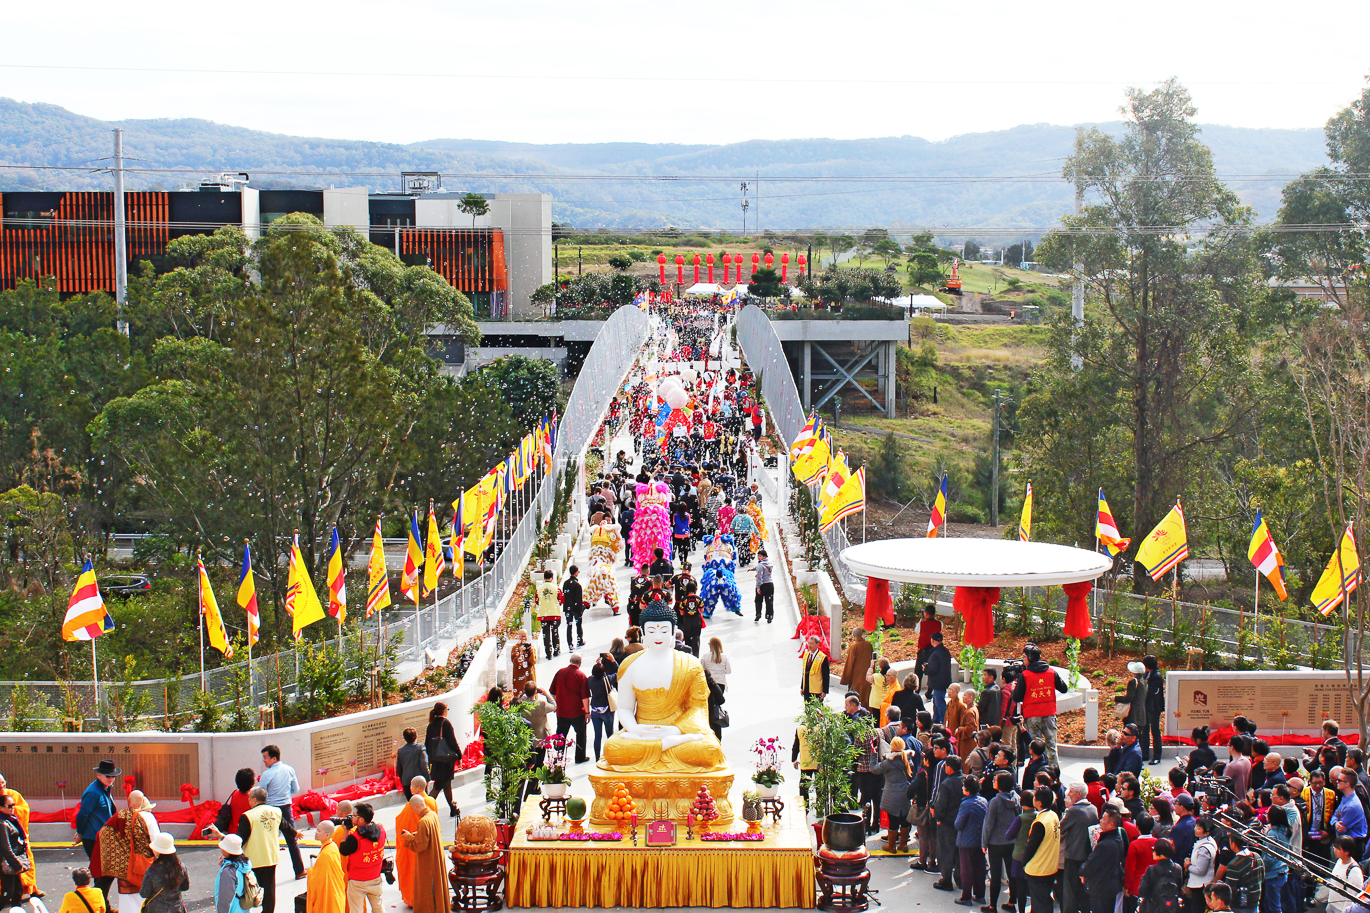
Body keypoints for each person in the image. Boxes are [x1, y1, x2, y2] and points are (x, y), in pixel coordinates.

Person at [100, 789, 160, 913]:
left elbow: (105, 835)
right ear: (143, 801)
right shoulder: (148, 817)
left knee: (127, 901)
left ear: (128, 801)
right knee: (144, 898)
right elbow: (155, 841)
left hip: (125, 867)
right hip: (144, 864)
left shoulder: (120, 817)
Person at [1011, 643, 1069, 765]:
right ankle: (1054, 773)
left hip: (1032, 715)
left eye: (1024, 657)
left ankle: (1039, 773)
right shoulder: (1051, 672)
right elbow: (1064, 689)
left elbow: (1017, 698)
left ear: (1030, 658)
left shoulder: (1025, 675)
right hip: (1049, 714)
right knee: (1051, 746)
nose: (1023, 660)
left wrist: (1014, 689)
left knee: (1035, 747)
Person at [259, 745, 305, 880]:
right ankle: (299, 870)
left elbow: (261, 791)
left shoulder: (267, 774)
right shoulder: (289, 769)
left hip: (271, 809)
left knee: (267, 840)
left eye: (265, 758)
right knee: (292, 840)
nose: (264, 761)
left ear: (274, 758)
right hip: (286, 808)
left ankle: (266, 875)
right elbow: (296, 789)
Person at [77, 759, 119, 904]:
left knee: (101, 873)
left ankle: (101, 905)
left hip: (103, 837)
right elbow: (83, 814)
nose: (111, 779)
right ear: (99, 775)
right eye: (108, 776)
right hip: (94, 838)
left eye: (113, 776)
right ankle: (97, 904)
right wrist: (80, 833)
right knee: (106, 873)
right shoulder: (93, 793)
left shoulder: (104, 789)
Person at [399, 796, 449, 913]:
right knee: (437, 889)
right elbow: (430, 834)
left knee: (428, 892)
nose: (414, 813)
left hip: (428, 863)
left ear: (417, 806)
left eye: (413, 810)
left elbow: (420, 846)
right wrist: (416, 834)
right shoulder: (433, 815)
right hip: (436, 859)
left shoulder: (423, 821)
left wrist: (409, 838)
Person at [236, 788, 281, 913]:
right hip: (270, 856)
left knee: (248, 889)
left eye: (250, 798)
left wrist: (230, 853)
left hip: (253, 858)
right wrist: (296, 833)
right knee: (269, 890)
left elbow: (241, 838)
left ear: (254, 800)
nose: (249, 801)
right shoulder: (276, 811)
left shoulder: (248, 816)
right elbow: (286, 826)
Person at [394, 779, 437, 908]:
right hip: (429, 843)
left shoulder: (412, 806)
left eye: (411, 786)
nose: (410, 788)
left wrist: (407, 837)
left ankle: (413, 898)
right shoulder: (432, 801)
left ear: (418, 788)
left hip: (415, 845)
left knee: (414, 871)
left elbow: (406, 825)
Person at [983, 771, 1020, 913]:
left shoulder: (995, 802)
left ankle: (993, 906)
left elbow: (988, 825)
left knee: (996, 875)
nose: (993, 781)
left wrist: (984, 843)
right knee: (1012, 874)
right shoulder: (1016, 798)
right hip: (1011, 842)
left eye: (995, 780)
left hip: (995, 843)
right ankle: (1012, 902)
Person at [338, 803, 385, 913]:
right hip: (375, 877)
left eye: (354, 815)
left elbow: (343, 850)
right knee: (378, 907)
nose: (351, 817)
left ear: (361, 820)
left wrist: (346, 831)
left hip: (357, 881)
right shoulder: (381, 830)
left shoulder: (354, 838)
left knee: (356, 910)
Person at [1063, 782, 1101, 913]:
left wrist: (1067, 808)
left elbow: (1060, 829)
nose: (1068, 794)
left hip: (1073, 854)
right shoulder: (1093, 808)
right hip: (1087, 854)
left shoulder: (1073, 811)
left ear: (1079, 794)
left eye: (1071, 792)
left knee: (1071, 892)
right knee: (1084, 891)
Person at [0, 773, 39, 900]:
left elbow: (25, 809)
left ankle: (30, 889)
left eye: (3, 782)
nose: (2, 785)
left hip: (17, 838)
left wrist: (13, 809)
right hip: (5, 839)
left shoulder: (13, 794)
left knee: (24, 865)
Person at [1082, 807, 1128, 913]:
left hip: (1101, 886)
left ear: (1111, 824)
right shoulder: (1117, 838)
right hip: (1109, 884)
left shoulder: (1106, 844)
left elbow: (1092, 863)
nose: (1100, 821)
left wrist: (1082, 870)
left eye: (1103, 819)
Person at [1024, 786, 1062, 913]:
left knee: (1040, 903)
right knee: (1045, 900)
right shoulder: (1053, 816)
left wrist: (1024, 863)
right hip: (1051, 866)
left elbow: (1031, 846)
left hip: (1038, 868)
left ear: (1038, 802)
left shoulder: (1040, 822)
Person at [875, 736, 915, 854]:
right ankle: (903, 845)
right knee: (904, 820)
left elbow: (874, 769)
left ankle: (891, 846)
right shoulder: (907, 760)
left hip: (891, 795)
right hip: (904, 794)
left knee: (893, 821)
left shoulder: (888, 763)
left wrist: (873, 754)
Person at [550, 654, 592, 764]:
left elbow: (552, 692)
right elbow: (585, 697)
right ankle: (579, 757)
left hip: (562, 711)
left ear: (570, 661)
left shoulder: (560, 673)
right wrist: (587, 712)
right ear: (580, 663)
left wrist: (556, 705)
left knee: (560, 735)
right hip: (577, 712)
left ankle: (558, 757)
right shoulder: (581, 676)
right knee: (581, 734)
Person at [933, 756, 966, 892]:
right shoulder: (965, 780)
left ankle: (946, 880)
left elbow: (941, 805)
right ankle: (960, 879)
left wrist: (938, 819)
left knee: (946, 852)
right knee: (960, 853)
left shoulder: (947, 784)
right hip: (963, 822)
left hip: (948, 822)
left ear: (949, 768)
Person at [424, 702, 463, 817]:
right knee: (438, 786)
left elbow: (427, 744)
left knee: (446, 784)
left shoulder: (431, 725)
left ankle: (452, 808)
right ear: (444, 711)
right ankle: (424, 809)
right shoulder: (445, 723)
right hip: (445, 760)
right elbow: (452, 741)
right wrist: (459, 755)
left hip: (435, 759)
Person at [955, 778, 989, 906]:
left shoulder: (966, 804)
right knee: (980, 868)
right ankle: (980, 895)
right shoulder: (984, 801)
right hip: (980, 840)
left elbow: (959, 824)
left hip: (966, 841)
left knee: (967, 870)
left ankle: (966, 897)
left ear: (967, 789)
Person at [139, 833, 188, 913]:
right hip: (176, 909)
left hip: (155, 909)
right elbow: (185, 887)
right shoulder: (181, 867)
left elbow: (144, 893)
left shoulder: (151, 871)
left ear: (158, 851)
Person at [302, 824, 344, 913]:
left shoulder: (326, 854)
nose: (316, 833)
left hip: (328, 895)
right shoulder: (332, 846)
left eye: (319, 831)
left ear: (327, 835)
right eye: (316, 830)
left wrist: (310, 872)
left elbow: (319, 879)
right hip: (335, 893)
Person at [1317, 837, 1364, 913]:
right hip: (1331, 906)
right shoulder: (1339, 861)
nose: (1334, 850)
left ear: (1347, 852)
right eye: (1334, 847)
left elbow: (1352, 897)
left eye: (1338, 848)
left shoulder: (1354, 871)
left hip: (1341, 910)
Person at [0, 790, 28, 909]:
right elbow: (6, 848)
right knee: (7, 894)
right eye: (9, 806)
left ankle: (17, 909)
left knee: (18, 891)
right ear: (1, 808)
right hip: (7, 862)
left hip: (14, 860)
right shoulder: (3, 824)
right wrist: (17, 865)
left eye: (13, 805)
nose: (13, 808)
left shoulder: (11, 820)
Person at [1140, 839, 1185, 913]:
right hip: (1172, 908)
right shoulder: (1177, 868)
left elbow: (1143, 890)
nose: (1153, 852)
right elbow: (1179, 888)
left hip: (1154, 907)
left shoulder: (1151, 870)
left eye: (1154, 850)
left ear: (1161, 853)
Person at [1224, 832, 1264, 913]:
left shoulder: (1234, 865)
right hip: (1255, 902)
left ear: (1233, 844)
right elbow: (1262, 878)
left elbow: (1230, 891)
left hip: (1239, 906)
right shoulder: (1257, 857)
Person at [1186, 817, 1219, 913]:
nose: (1195, 829)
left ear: (1207, 832)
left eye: (1199, 828)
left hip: (1201, 886)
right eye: (1196, 826)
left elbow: (1200, 870)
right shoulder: (1207, 842)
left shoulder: (1204, 848)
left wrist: (1188, 866)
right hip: (1202, 884)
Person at [588, 660, 617, 761]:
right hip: (607, 710)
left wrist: (598, 664)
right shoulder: (607, 679)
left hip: (595, 710)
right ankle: (610, 756)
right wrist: (613, 661)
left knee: (597, 736)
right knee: (610, 735)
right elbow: (619, 672)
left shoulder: (590, 681)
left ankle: (597, 758)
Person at [1118, 661, 1151, 745]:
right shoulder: (1145, 682)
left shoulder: (1133, 682)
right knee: (1139, 735)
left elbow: (1129, 698)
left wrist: (1116, 698)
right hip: (1142, 713)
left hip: (1133, 713)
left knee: (1129, 734)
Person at [925, 633, 953, 723]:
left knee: (939, 702)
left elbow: (933, 670)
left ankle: (942, 720)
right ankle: (936, 718)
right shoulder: (945, 651)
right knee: (936, 702)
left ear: (933, 640)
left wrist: (925, 669)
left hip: (937, 682)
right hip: (944, 680)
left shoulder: (935, 653)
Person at [1143, 655, 1165, 765]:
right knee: (1144, 730)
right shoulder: (1147, 674)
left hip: (1154, 707)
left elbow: (1150, 691)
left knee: (1155, 731)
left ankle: (1157, 756)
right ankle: (1145, 754)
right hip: (1147, 706)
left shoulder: (1157, 676)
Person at [536, 570, 563, 658]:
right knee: (555, 632)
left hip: (544, 615)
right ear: (552, 578)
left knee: (546, 634)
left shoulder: (538, 589)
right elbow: (561, 600)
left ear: (544, 578)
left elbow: (537, 601)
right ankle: (556, 650)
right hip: (555, 614)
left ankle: (548, 653)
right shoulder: (557, 588)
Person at [396, 729, 427, 800]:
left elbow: (399, 769)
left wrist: (403, 780)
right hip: (419, 781)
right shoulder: (420, 747)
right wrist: (427, 779)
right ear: (416, 736)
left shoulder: (401, 750)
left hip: (406, 782)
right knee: (422, 804)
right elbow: (424, 764)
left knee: (412, 805)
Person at [675, 580, 704, 655]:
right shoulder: (698, 599)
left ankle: (688, 653)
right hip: (696, 620)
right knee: (696, 638)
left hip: (687, 620)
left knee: (687, 638)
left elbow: (681, 612)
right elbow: (702, 610)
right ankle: (696, 655)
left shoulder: (684, 600)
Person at [562, 564, 586, 648]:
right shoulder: (577, 585)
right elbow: (579, 599)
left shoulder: (565, 583)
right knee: (578, 625)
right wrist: (580, 611)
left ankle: (570, 643)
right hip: (575, 608)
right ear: (576, 573)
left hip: (568, 608)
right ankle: (580, 640)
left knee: (569, 626)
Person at [801, 635, 830, 702]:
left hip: (816, 690)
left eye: (812, 644)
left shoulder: (822, 657)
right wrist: (802, 687)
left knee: (816, 709)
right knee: (808, 709)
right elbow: (804, 672)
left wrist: (824, 691)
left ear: (817, 644)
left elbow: (825, 676)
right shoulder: (806, 655)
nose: (809, 645)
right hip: (807, 688)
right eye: (808, 643)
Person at [754, 549, 774, 622]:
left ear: (764, 556)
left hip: (763, 584)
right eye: (758, 556)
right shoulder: (770, 563)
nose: (758, 557)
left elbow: (759, 576)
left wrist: (758, 587)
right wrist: (753, 569)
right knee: (769, 601)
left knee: (758, 600)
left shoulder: (760, 565)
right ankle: (769, 616)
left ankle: (758, 613)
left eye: (760, 556)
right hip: (770, 584)